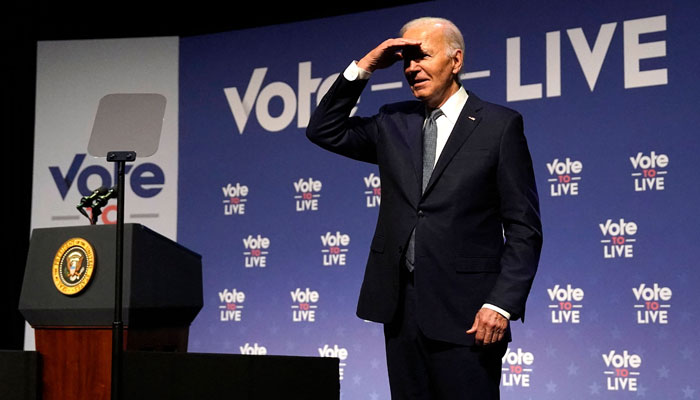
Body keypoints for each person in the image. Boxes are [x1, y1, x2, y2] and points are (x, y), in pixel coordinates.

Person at [306, 17, 542, 399]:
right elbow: (324, 130)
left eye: (423, 56)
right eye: (405, 60)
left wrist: (500, 304)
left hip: (470, 312)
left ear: (456, 61)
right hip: (401, 309)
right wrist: (365, 65)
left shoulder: (500, 126)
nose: (412, 68)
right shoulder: (393, 121)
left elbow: (523, 228)